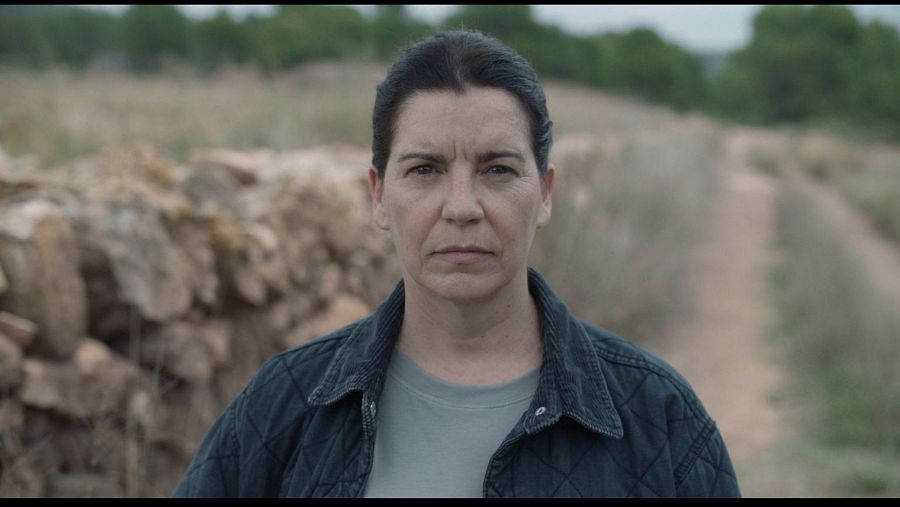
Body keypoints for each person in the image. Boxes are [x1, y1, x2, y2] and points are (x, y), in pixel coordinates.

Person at [171, 30, 741, 498]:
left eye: (498, 170)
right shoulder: (282, 406)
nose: (462, 207)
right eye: (425, 170)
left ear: (544, 194)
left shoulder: (659, 417)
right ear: (378, 196)